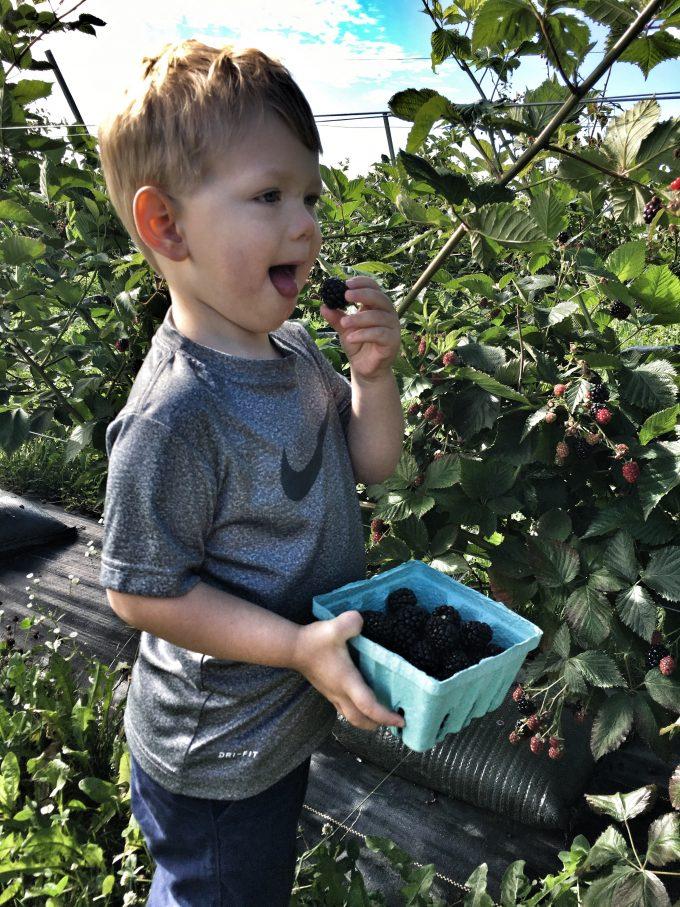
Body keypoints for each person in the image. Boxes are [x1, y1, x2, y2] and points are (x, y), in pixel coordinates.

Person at [96, 39, 405, 906]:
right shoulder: (176, 417)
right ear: (168, 226)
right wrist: (295, 647)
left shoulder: (296, 349)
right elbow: (139, 591)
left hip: (274, 724)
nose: (305, 222)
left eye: (308, 193)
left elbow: (372, 462)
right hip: (216, 756)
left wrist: (374, 377)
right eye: (269, 195)